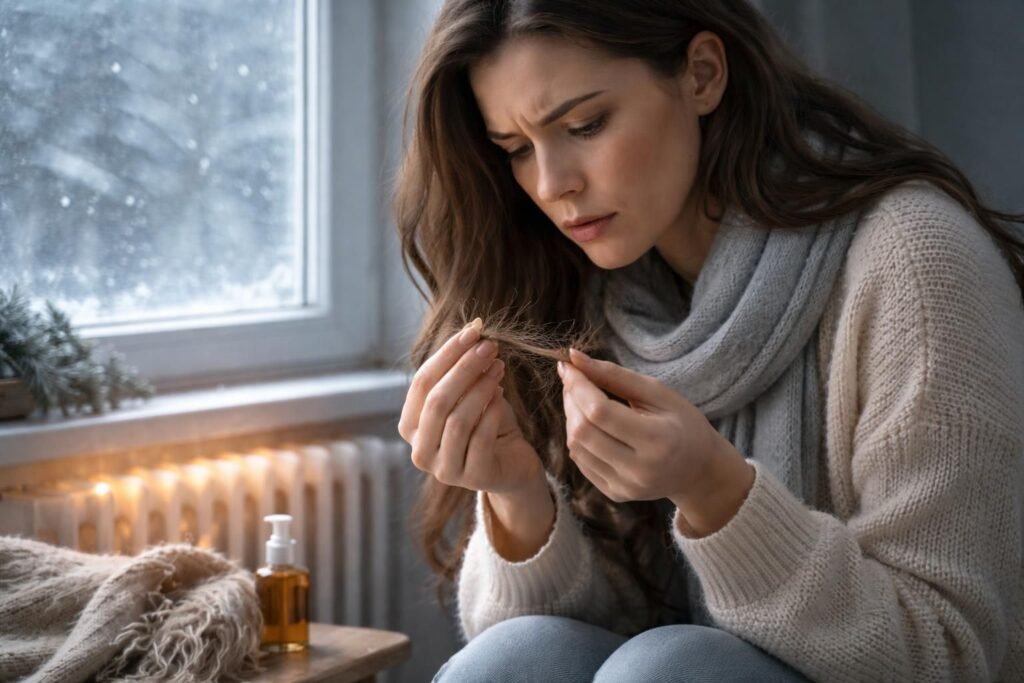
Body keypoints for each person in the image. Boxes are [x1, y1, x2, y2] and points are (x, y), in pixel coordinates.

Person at [392, 1, 1024, 681]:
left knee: (667, 667)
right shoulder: (601, 291)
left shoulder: (916, 263)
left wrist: (714, 488)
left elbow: (950, 654)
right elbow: (595, 636)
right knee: (508, 660)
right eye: (515, 149)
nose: (552, 184)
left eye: (585, 124)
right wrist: (519, 497)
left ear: (701, 75)